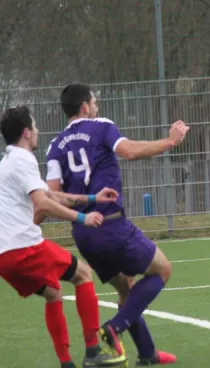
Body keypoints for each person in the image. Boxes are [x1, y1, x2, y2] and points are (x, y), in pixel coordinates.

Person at [42, 83, 189, 366]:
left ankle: (147, 354)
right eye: (94, 102)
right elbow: (129, 151)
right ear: (85, 106)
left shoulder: (54, 145)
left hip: (83, 233)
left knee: (126, 289)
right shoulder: (101, 126)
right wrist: (169, 142)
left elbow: (54, 195)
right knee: (162, 270)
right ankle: (114, 328)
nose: (97, 107)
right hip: (111, 226)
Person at [0, 105, 128, 368]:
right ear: (26, 133)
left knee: (53, 293)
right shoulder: (23, 159)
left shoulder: (7, 162)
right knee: (83, 273)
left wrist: (92, 198)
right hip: (23, 248)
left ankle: (66, 362)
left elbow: (49, 195)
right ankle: (93, 351)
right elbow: (43, 205)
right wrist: (83, 217)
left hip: (4, 257)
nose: (37, 131)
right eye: (34, 127)